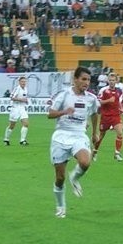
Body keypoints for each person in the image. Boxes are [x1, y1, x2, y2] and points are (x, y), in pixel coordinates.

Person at [48, 66, 99, 218]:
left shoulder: (91, 98)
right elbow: (50, 114)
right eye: (83, 79)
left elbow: (95, 113)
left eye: (88, 80)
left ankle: (75, 177)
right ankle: (60, 206)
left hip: (78, 135)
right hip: (61, 136)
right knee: (59, 178)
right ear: (75, 79)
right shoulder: (64, 94)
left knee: (85, 162)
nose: (86, 82)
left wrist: (94, 132)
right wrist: (64, 112)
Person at [92, 73, 123, 162]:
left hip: (115, 116)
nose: (111, 82)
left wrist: (121, 108)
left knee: (120, 133)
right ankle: (95, 151)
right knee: (101, 136)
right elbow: (98, 102)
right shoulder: (103, 90)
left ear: (116, 81)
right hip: (105, 117)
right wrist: (108, 100)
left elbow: (118, 101)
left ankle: (117, 153)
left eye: (113, 80)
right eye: (110, 80)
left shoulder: (119, 91)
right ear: (107, 81)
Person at [3, 76, 30, 146]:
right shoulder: (17, 88)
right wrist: (21, 100)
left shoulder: (26, 89)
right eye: (22, 81)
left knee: (26, 123)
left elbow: (24, 97)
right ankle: (6, 139)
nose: (24, 83)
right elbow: (11, 97)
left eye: (25, 81)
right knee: (12, 125)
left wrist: (26, 101)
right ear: (19, 82)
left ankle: (22, 140)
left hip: (22, 108)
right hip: (15, 109)